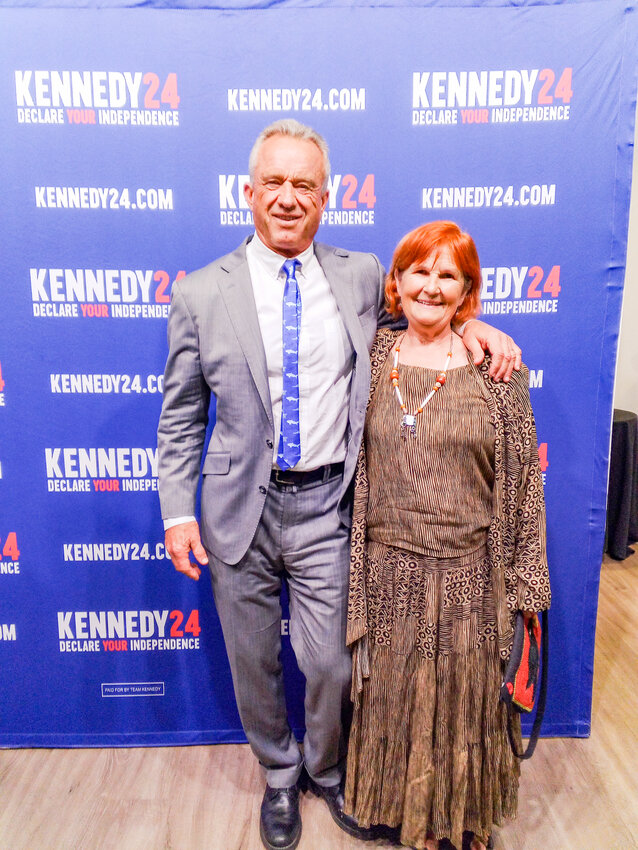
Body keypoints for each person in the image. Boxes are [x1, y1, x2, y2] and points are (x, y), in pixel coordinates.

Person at [157, 121, 521, 850]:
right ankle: (280, 777)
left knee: (328, 660)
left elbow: (423, 319)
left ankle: (326, 767)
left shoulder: (358, 274)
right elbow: (181, 415)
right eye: (275, 183)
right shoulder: (201, 293)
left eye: (305, 186)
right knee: (255, 661)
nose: (289, 199)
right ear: (249, 192)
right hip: (238, 511)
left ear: (327, 197)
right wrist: (176, 511)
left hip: (329, 505)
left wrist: (481, 328)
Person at [343, 221, 551, 850]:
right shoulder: (371, 357)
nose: (430, 286)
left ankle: (462, 816)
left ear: (466, 291)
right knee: (399, 701)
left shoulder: (497, 371)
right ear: (396, 282)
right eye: (419, 271)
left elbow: (521, 490)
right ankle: (413, 819)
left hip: (471, 575)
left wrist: (526, 591)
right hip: (389, 573)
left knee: (466, 706)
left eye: (447, 275)